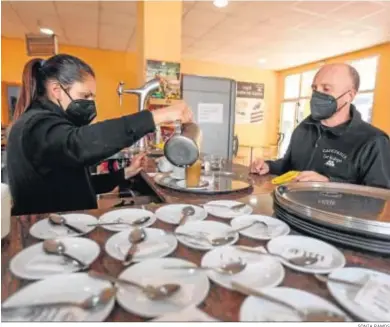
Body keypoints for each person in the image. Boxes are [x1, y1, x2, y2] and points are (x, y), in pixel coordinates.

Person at [7, 54, 193, 215]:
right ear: (57, 91)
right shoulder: (35, 125)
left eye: (92, 97)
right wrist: (157, 116)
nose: (90, 103)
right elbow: (78, 144)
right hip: (46, 236)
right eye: (85, 95)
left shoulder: (46, 124)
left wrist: (125, 173)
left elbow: (77, 185)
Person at [251, 63, 390, 189]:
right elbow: (288, 165)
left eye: (326, 89)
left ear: (350, 95)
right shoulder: (304, 128)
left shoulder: (373, 141)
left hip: (333, 216)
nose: (317, 95)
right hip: (291, 210)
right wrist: (268, 166)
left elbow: (379, 197)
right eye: (315, 88)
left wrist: (330, 184)